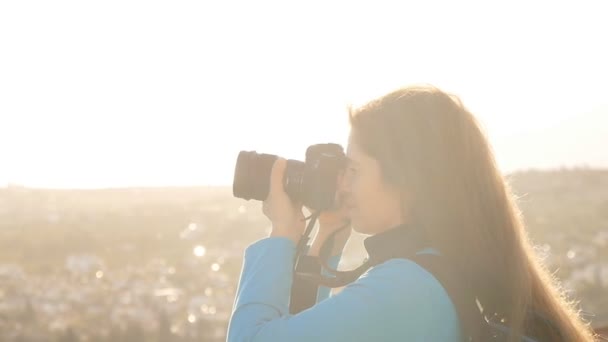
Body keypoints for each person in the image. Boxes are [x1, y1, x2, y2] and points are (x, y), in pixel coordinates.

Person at [226, 85, 598, 341]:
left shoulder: (406, 287)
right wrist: (327, 237)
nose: (343, 184)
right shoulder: (446, 264)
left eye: (354, 170)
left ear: (406, 180)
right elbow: (306, 330)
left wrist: (282, 233)